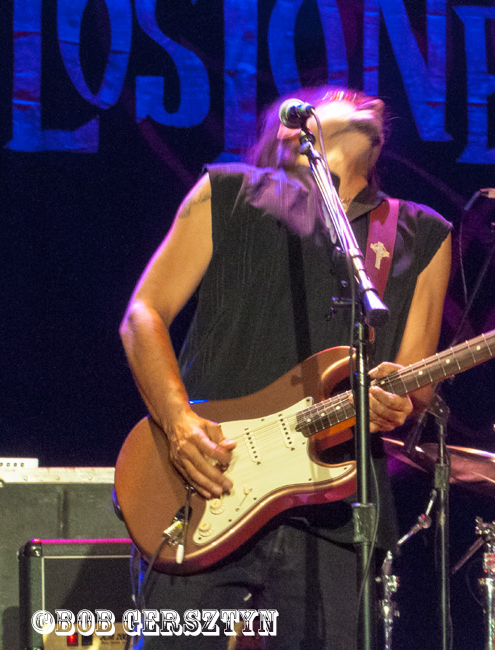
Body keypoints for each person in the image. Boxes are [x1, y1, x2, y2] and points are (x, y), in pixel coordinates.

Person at [119, 86, 452, 648]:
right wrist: (178, 424)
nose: (363, 100)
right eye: (338, 93)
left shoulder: (423, 233)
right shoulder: (229, 191)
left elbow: (414, 383)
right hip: (205, 487)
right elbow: (143, 314)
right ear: (288, 129)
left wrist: (396, 403)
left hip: (335, 513)